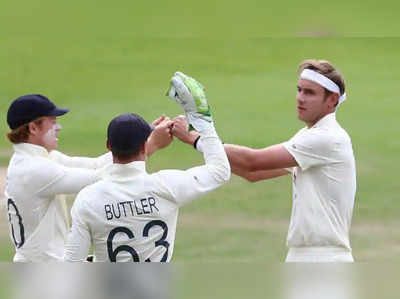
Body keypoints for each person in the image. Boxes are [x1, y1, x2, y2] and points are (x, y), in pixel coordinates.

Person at [172, 60, 357, 262]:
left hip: (324, 259)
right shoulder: (310, 135)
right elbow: (252, 173)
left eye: (309, 93)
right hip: (305, 256)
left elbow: (253, 161)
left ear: (332, 100)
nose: (300, 98)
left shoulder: (326, 138)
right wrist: (200, 139)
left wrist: (197, 137)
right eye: (299, 90)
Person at [64, 72, 230, 262]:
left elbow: (71, 263)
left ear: (109, 146)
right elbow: (220, 171)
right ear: (145, 146)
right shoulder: (166, 186)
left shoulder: (88, 199)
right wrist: (202, 124)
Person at [4, 94, 172, 262]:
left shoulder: (39, 160)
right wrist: (151, 145)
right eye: (53, 121)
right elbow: (101, 177)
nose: (59, 127)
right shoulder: (33, 170)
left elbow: (96, 165)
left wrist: (141, 136)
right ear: (33, 128)